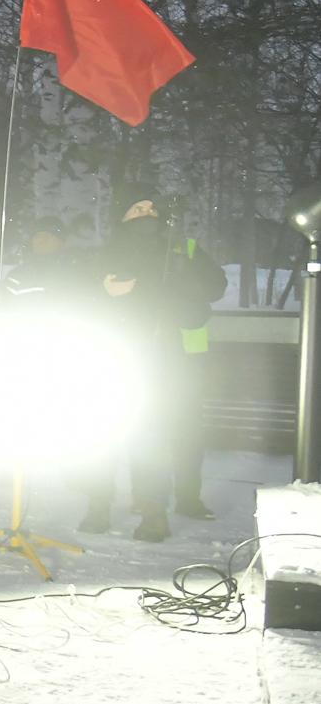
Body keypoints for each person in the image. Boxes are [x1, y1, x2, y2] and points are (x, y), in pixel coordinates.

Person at [82, 213, 193, 542]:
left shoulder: (172, 253)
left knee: (149, 440)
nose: (145, 214)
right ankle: (98, 505)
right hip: (108, 356)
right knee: (102, 437)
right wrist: (103, 289)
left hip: (155, 359)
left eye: (151, 207)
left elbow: (203, 293)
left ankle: (153, 512)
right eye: (137, 207)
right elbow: (82, 296)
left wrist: (154, 284)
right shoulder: (105, 253)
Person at [126, 190, 226, 519]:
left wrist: (185, 282)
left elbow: (216, 286)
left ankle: (187, 498)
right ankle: (144, 497)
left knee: (186, 432)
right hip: (140, 354)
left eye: (152, 213)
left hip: (184, 357)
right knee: (142, 429)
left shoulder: (187, 248)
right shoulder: (124, 250)